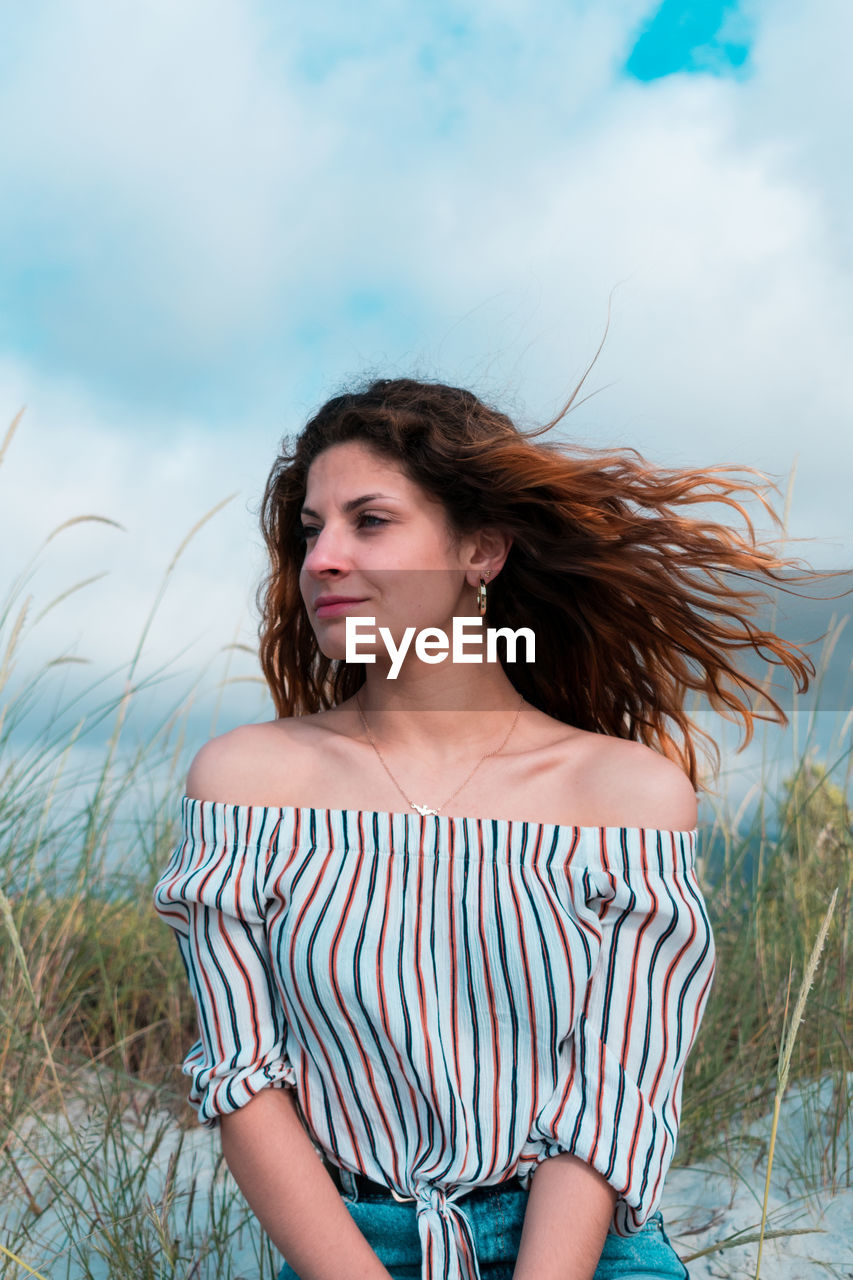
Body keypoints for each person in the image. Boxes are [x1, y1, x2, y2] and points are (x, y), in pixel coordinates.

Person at [153, 376, 813, 1280]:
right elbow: (241, 1078)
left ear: (482, 550)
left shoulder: (624, 796)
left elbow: (612, 1099)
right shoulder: (245, 783)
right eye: (312, 530)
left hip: (582, 1251)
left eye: (370, 521)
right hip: (347, 1248)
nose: (323, 559)